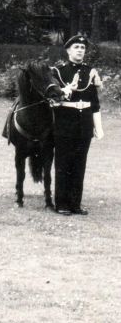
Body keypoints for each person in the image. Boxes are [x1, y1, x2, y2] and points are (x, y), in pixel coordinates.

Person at [51, 34, 104, 215]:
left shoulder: (91, 72)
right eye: (76, 47)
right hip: (64, 123)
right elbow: (52, 99)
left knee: (80, 164)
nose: (80, 50)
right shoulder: (58, 72)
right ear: (68, 50)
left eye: (82, 48)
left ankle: (75, 204)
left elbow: (94, 102)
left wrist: (98, 127)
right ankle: (62, 204)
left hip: (84, 125)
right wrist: (68, 89)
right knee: (63, 164)